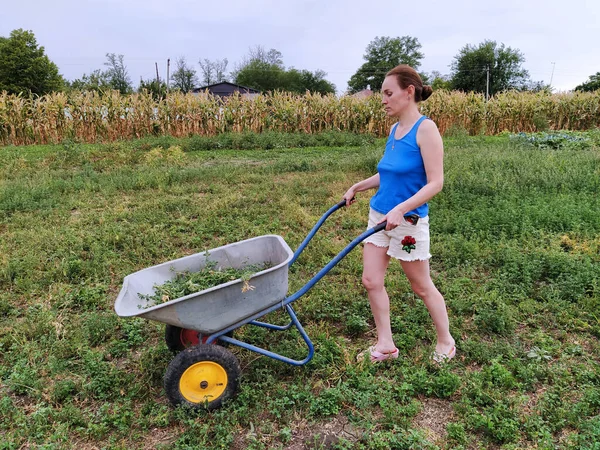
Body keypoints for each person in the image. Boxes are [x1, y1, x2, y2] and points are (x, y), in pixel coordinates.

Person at [343, 64, 455, 364]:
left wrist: (402, 208)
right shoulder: (395, 129)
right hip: (380, 217)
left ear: (409, 92)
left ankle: (446, 341)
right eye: (382, 94)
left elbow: (436, 183)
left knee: (420, 286)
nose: (383, 100)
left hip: (408, 222)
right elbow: (389, 174)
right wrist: (359, 186)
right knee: (371, 280)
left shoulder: (426, 129)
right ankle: (385, 345)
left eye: (388, 93)